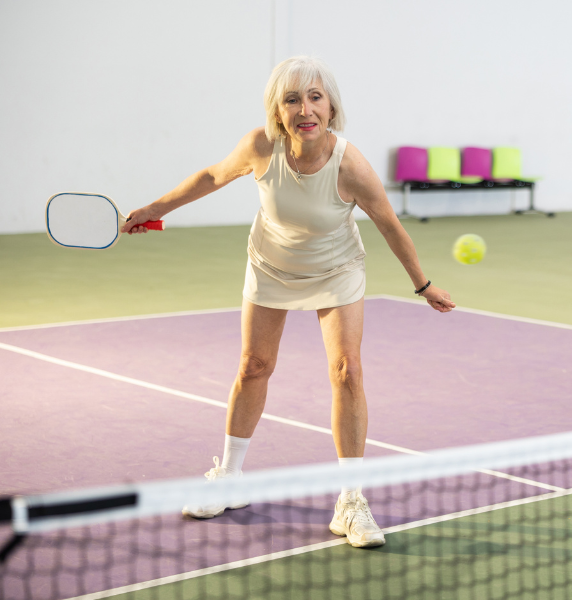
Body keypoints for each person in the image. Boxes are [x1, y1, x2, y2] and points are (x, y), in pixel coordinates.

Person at [123, 56, 455, 548]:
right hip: (271, 266)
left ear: (331, 106)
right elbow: (213, 177)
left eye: (315, 97)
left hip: (337, 269)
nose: (305, 109)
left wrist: (423, 285)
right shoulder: (261, 147)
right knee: (254, 366)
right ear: (278, 110)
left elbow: (389, 223)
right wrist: (154, 208)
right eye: (292, 99)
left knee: (348, 371)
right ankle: (230, 477)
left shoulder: (351, 164)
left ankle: (351, 502)